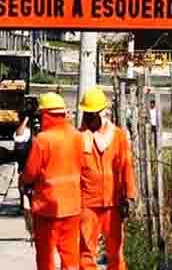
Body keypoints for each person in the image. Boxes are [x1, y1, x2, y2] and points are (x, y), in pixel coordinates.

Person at [20, 92, 84, 270]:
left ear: (46, 115)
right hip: (72, 207)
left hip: (47, 207)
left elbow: (30, 173)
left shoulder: (43, 140)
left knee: (46, 257)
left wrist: (23, 181)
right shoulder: (78, 137)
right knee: (70, 257)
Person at [78, 87, 136, 270]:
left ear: (102, 113)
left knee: (116, 253)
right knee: (86, 252)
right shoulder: (79, 137)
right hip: (87, 203)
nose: (88, 118)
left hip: (113, 202)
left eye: (92, 114)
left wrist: (129, 195)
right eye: (86, 113)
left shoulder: (117, 136)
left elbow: (126, 164)